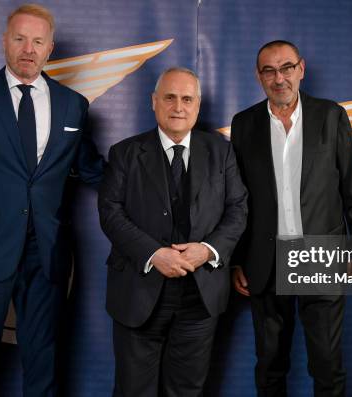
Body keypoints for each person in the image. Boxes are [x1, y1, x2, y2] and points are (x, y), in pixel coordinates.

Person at [0, 4, 104, 396]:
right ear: (4, 42)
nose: (29, 48)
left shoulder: (72, 104)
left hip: (46, 256)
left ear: (50, 48)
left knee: (43, 366)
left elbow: (94, 170)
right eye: (20, 38)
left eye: (38, 41)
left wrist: (150, 178)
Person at [230, 40, 352, 397]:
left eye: (287, 68)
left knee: (326, 365)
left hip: (321, 255)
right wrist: (236, 260)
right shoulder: (244, 124)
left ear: (301, 69)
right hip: (265, 260)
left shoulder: (331, 115)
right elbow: (237, 200)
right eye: (269, 71)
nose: (280, 79)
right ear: (258, 76)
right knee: (270, 365)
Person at [98, 67, 248, 397]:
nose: (178, 107)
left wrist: (208, 250)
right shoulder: (125, 153)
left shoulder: (221, 152)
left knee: (186, 390)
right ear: (154, 102)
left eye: (187, 99)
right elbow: (110, 213)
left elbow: (238, 209)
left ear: (198, 105)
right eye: (169, 97)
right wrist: (154, 254)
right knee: (133, 391)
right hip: (139, 292)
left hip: (200, 295)